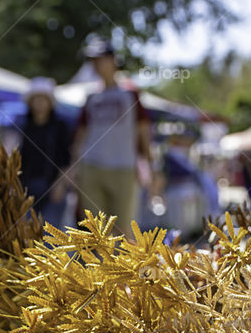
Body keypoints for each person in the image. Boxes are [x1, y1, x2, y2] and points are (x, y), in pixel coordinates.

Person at [68, 38, 152, 236]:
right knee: (96, 231)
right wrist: (73, 167)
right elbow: (81, 135)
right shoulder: (90, 97)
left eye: (101, 59)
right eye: (94, 61)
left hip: (123, 168)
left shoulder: (130, 94)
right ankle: (98, 267)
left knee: (123, 231)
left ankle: (122, 268)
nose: (97, 65)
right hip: (92, 167)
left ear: (114, 60)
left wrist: (150, 165)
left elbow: (143, 131)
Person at [11, 77, 72, 229]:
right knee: (25, 237)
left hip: (53, 190)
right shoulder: (21, 125)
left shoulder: (61, 127)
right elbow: (13, 155)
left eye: (43, 99)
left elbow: (68, 159)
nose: (39, 103)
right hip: (25, 191)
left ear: (50, 102)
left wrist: (60, 184)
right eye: (35, 99)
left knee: (51, 238)